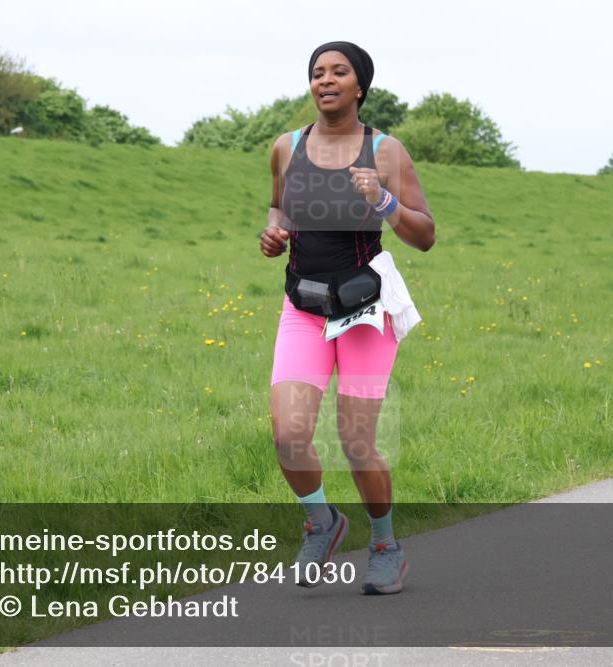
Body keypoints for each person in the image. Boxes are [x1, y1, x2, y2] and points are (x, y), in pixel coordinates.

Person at [259, 41, 435, 595]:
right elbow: (278, 207)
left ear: (360, 86)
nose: (326, 79)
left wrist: (384, 202)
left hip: (364, 311)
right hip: (303, 308)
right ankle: (323, 522)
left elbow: (425, 234)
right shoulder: (287, 147)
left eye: (339, 72)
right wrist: (273, 233)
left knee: (356, 440)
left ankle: (385, 545)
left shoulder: (386, 151)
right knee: (288, 434)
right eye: (318, 72)